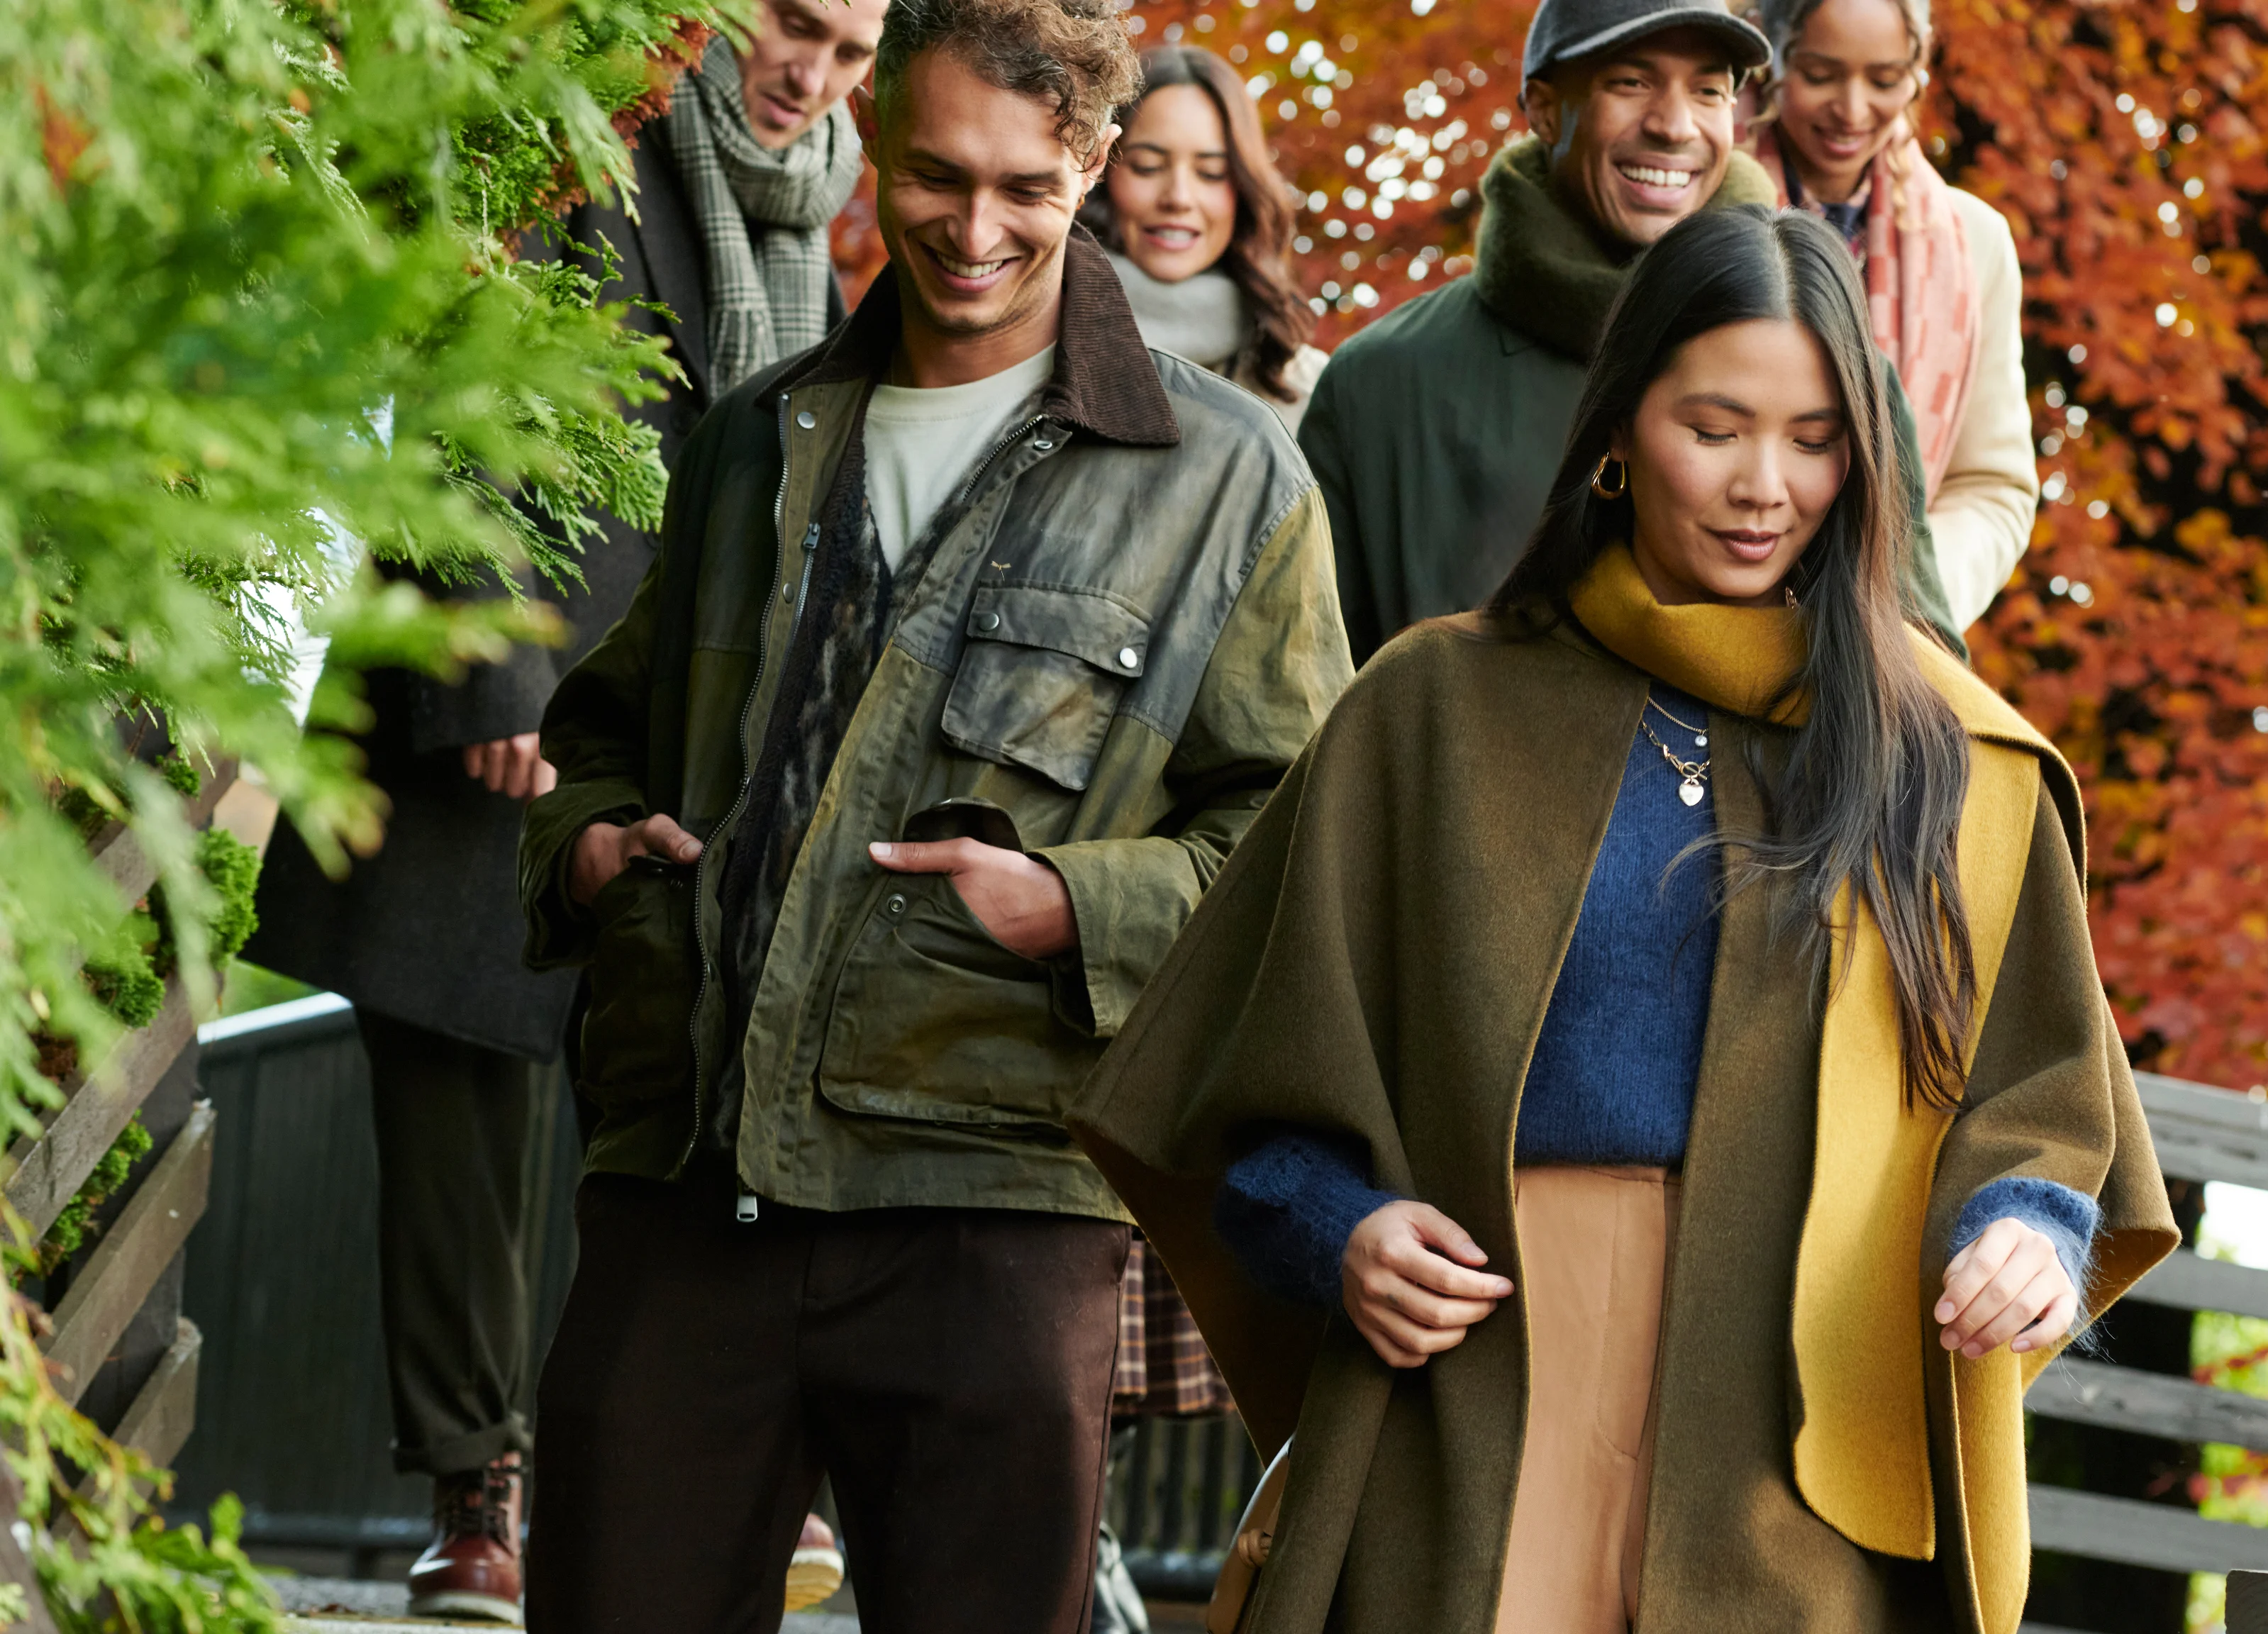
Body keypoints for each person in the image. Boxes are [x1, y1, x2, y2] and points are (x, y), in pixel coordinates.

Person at [1072, 208, 2176, 1634]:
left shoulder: (1949, 762)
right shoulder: (1427, 713)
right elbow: (1229, 1107)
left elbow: (2044, 1107)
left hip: (1791, 1464)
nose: (1763, 486)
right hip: (1461, 1420)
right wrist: (1337, 1232)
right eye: (1712, 427)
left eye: (1814, 439)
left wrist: (2022, 1231)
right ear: (1615, 431)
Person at [512, 0, 1350, 1623]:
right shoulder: (760, 435)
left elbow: (1293, 861)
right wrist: (595, 853)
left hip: (996, 1218)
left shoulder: (1233, 482)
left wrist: (1074, 906)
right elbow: (600, 729)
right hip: (689, 1185)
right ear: (872, 151)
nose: (975, 229)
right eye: (933, 176)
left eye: (1028, 188)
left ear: (1092, 163)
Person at [241, 0, 884, 1621]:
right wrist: (494, 665)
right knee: (456, 1085)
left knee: (699, 1084)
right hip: (513, 678)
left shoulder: (838, 212)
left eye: (857, 52)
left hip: (705, 725)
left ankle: (724, 1456)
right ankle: (477, 1488)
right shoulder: (586, 129)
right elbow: (468, 386)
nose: (814, 73)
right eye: (798, 26)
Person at [1296, 0, 1952, 669]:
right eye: (1631, 82)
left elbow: (1925, 675)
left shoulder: (1845, 376)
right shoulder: (1380, 387)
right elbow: (1312, 713)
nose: (1674, 126)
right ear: (1545, 108)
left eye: (1708, 91)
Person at [1748, 0, 2036, 628]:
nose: (1852, 111)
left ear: (1918, 72)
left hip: (1890, 648)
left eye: (1883, 81)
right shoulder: (1695, 209)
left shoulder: (1975, 243)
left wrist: (1906, 608)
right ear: (1772, 56)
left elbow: (1991, 486)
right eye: (1821, 75)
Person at [1088, 45, 1328, 429]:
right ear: (1102, 174)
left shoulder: (1306, 385)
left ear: (1245, 190)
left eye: (1211, 172)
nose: (1179, 198)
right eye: (1148, 167)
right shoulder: (1020, 344)